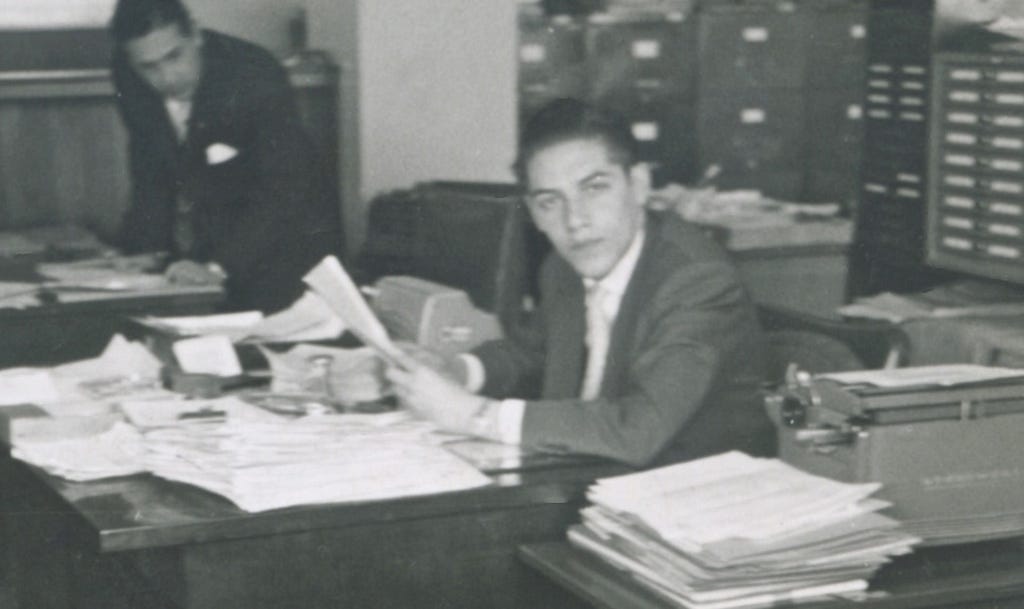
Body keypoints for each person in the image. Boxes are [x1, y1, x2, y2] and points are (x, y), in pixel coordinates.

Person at [387, 98, 774, 467]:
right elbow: (533, 353)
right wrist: (456, 371)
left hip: (689, 502)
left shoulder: (696, 280)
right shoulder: (563, 268)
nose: (575, 221)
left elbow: (638, 429)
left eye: (594, 188)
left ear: (638, 185)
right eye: (550, 201)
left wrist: (474, 415)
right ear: (535, 215)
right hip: (587, 479)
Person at [109, 0, 343, 313]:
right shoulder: (126, 73)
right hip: (215, 250)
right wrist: (144, 252)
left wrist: (219, 267)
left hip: (288, 248)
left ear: (196, 35)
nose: (167, 77)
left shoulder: (254, 75)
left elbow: (284, 189)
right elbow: (150, 169)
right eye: (149, 67)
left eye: (174, 56)